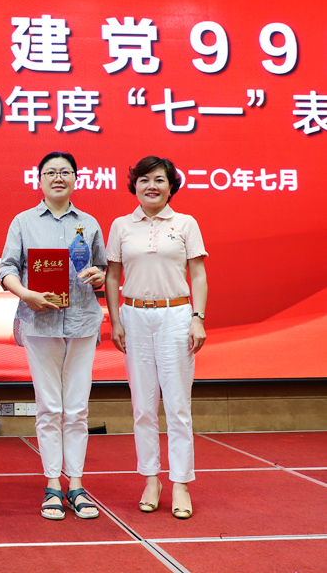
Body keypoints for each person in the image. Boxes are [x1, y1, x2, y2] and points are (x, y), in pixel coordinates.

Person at [0, 151, 106, 521]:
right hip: (40, 324)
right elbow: (7, 269)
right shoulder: (23, 222)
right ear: (39, 179)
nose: (58, 177)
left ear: (76, 178)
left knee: (76, 408)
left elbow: (102, 270)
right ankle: (52, 485)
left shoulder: (89, 223)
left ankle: (76, 483)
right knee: (49, 407)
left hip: (82, 323)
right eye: (50, 172)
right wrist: (25, 293)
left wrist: (99, 275)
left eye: (65, 172)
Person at [105, 156, 208, 520]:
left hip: (175, 317)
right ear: (134, 185)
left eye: (159, 180)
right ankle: (151, 480)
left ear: (171, 186)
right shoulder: (121, 225)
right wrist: (115, 321)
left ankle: (180, 483)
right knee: (143, 407)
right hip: (134, 318)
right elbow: (112, 276)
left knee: (178, 406)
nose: (152, 186)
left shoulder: (186, 223)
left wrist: (197, 318)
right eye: (144, 179)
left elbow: (198, 274)